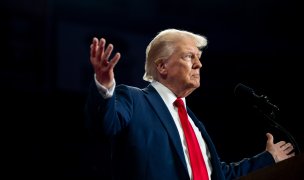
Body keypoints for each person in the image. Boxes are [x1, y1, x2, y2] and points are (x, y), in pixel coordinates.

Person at [84, 28, 295, 180]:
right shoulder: (134, 100)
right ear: (162, 66)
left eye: (199, 57)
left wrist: (269, 159)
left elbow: (218, 175)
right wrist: (104, 86)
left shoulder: (194, 124)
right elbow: (104, 125)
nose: (199, 64)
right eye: (189, 56)